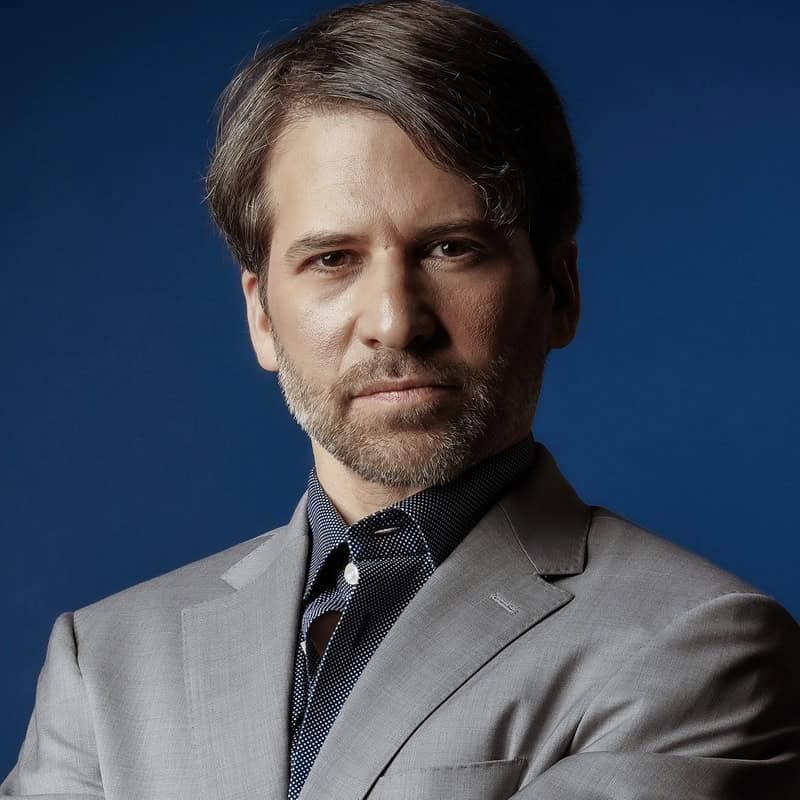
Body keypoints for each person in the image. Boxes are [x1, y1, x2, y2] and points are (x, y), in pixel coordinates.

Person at [3, 0, 799, 797]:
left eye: (453, 249)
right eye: (332, 259)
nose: (394, 322)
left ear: (558, 292)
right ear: (261, 316)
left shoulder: (696, 646)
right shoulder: (103, 663)